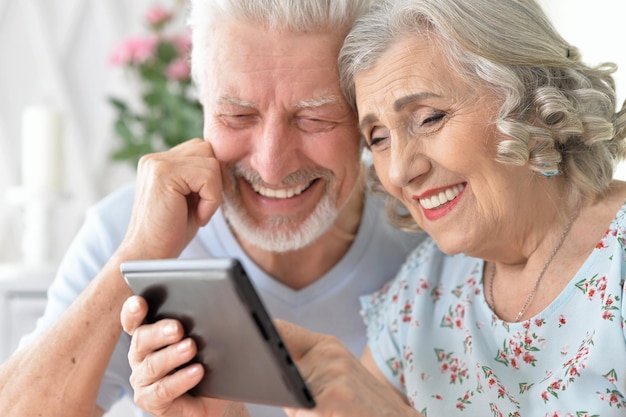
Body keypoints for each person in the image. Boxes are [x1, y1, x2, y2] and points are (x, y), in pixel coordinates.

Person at [123, 0, 626, 415]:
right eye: (378, 137)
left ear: (529, 95)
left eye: (429, 118)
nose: (401, 170)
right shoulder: (419, 296)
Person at [0, 1, 424, 417]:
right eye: (238, 116)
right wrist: (138, 254)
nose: (272, 166)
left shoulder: (427, 244)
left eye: (315, 119)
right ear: (203, 106)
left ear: (365, 119)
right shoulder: (125, 230)